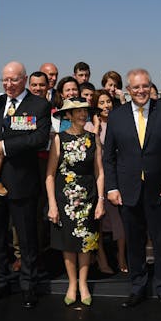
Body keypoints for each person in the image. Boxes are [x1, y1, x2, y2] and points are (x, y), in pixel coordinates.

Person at [103, 68, 161, 312]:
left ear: (152, 87)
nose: (141, 91)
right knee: (135, 243)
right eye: (136, 87)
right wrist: (112, 187)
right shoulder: (117, 116)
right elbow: (109, 157)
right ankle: (137, 287)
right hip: (127, 191)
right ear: (128, 90)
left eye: (145, 86)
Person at [0, 61, 52, 307]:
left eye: (14, 80)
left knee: (27, 236)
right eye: (5, 80)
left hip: (22, 181)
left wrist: (4, 147)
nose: (9, 85)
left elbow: (39, 138)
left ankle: (29, 285)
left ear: (25, 78)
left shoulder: (39, 105)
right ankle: (1, 282)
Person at [46, 98, 105, 306]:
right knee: (68, 244)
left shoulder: (93, 138)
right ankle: (72, 283)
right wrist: (52, 204)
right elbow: (50, 175)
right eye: (77, 112)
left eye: (84, 111)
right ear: (68, 115)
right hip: (65, 200)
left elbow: (99, 172)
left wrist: (100, 201)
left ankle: (83, 284)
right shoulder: (58, 139)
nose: (82, 115)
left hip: (89, 198)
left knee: (87, 243)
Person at [92, 89, 128, 274]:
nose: (106, 106)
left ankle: (121, 256)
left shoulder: (119, 122)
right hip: (97, 178)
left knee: (119, 219)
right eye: (102, 103)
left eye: (108, 102)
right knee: (97, 219)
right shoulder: (91, 125)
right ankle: (101, 257)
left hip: (117, 177)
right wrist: (97, 128)